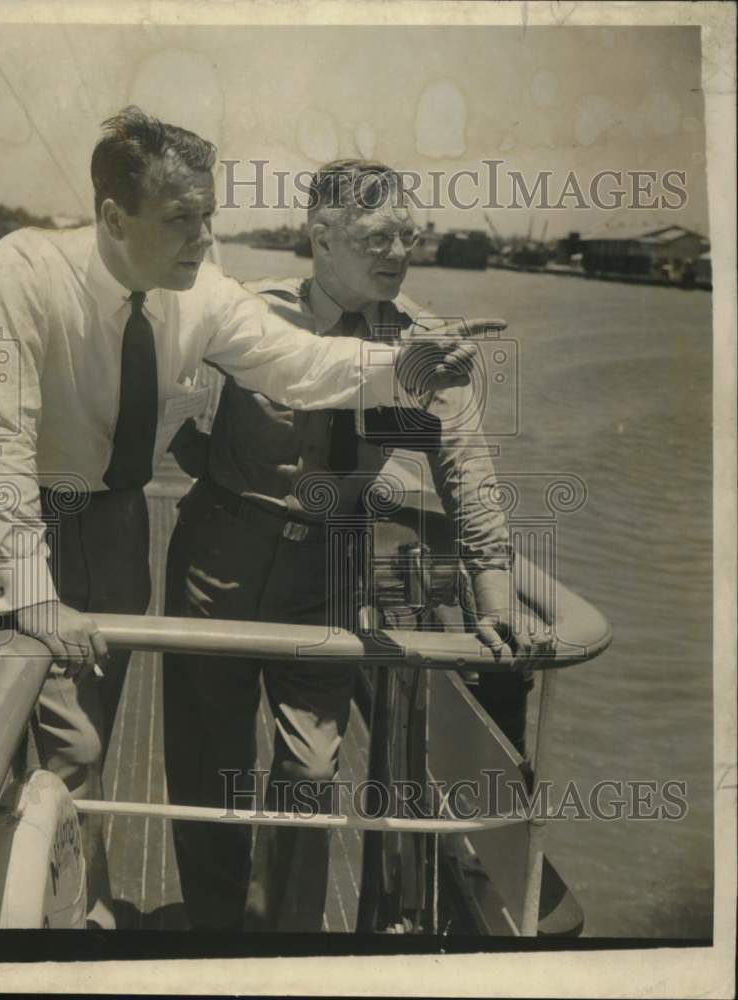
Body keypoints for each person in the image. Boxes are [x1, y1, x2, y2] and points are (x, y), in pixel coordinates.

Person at [0, 113, 482, 929]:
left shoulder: (198, 290)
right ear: (111, 218)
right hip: (15, 513)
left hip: (118, 517)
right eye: (180, 219)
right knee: (15, 732)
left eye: (208, 216)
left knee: (85, 740)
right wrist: (31, 592)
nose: (205, 238)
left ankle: (80, 904)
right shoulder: (22, 270)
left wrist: (407, 364)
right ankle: (12, 919)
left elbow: (302, 367)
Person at [163, 158, 543, 933]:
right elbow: (162, 400)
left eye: (408, 235)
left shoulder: (424, 347)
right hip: (219, 562)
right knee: (208, 765)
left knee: (308, 768)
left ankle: (283, 947)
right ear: (321, 236)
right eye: (376, 235)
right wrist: (208, 466)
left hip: (326, 572)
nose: (397, 253)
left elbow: (467, 470)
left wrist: (492, 595)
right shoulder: (247, 314)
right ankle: (208, 930)